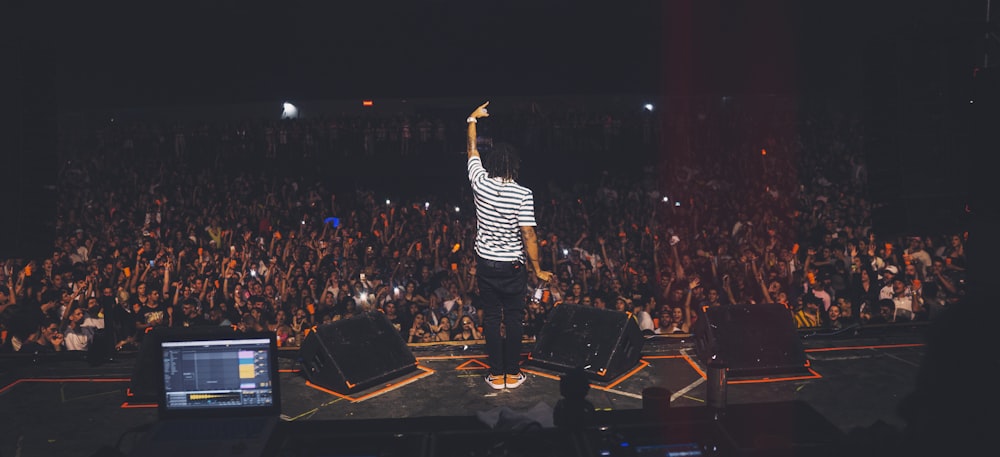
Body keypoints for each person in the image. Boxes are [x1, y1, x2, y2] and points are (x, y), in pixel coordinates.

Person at [466, 101, 553, 390]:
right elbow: (528, 233)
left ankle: (495, 374)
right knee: (514, 318)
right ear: (514, 166)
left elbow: (472, 151)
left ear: (492, 164)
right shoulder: (523, 194)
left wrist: (472, 120)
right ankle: (512, 374)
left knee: (491, 318)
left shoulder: (479, 183)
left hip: (486, 263)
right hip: (512, 265)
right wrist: (537, 269)